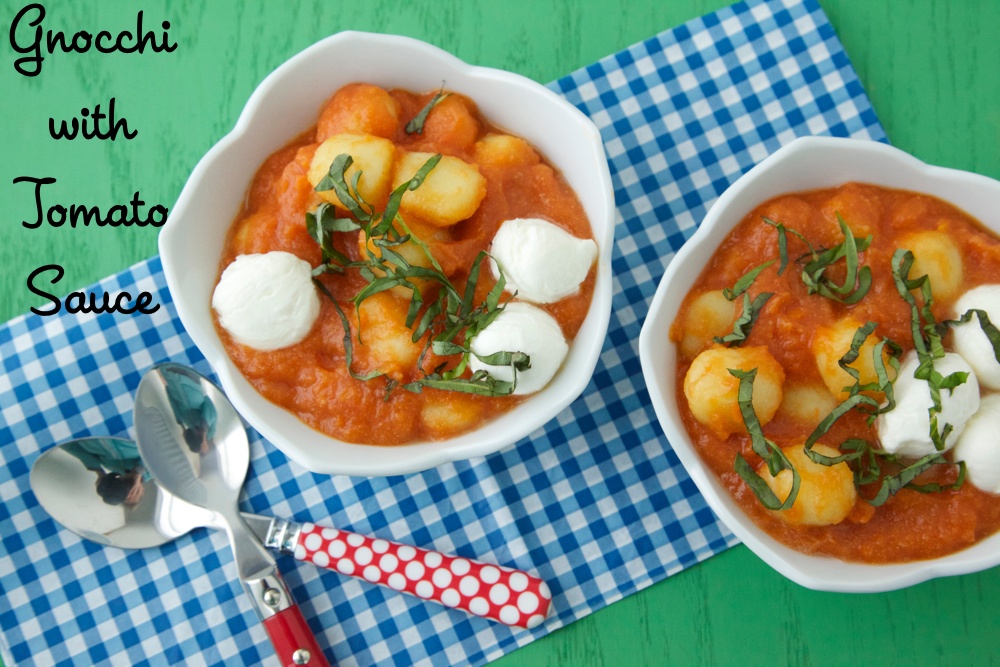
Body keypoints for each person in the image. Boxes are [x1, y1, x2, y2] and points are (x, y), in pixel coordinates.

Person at [62, 437, 149, 506]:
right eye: (135, 493)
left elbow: (68, 444)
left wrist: (98, 471)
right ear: (142, 491)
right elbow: (157, 447)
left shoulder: (112, 467)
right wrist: (138, 473)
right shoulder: (155, 470)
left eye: (126, 497)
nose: (131, 492)